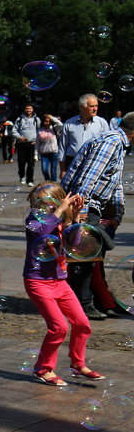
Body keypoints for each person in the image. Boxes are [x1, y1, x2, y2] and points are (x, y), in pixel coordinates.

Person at [24, 184, 102, 385]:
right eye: (40, 204)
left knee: (82, 323)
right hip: (38, 282)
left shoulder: (60, 221)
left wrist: (74, 218)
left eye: (49, 204)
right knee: (59, 327)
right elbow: (41, 231)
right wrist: (59, 211)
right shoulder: (33, 221)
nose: (43, 209)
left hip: (60, 282)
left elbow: (74, 244)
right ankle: (43, 369)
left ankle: (77, 363)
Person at [60, 113, 134, 320]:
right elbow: (89, 176)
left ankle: (101, 301)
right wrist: (80, 212)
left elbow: (115, 181)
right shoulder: (111, 141)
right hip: (85, 205)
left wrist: (118, 213)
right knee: (84, 259)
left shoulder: (117, 143)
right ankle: (81, 304)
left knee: (95, 257)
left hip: (95, 206)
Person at [59, 94, 107, 172]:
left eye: (96, 106)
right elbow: (62, 148)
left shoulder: (102, 123)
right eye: (92, 106)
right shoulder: (69, 124)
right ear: (82, 107)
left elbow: (107, 146)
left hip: (94, 164)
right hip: (72, 164)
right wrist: (63, 170)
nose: (95, 109)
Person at [14, 104, 39, 187]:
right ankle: (22, 175)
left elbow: (39, 130)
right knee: (21, 162)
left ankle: (30, 180)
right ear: (24, 109)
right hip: (21, 143)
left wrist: (36, 140)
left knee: (31, 163)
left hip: (32, 143)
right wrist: (20, 137)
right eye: (27, 108)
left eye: (30, 108)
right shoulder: (20, 119)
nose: (29, 110)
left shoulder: (36, 119)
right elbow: (14, 130)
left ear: (33, 109)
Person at [36, 114, 63, 181]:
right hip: (44, 154)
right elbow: (37, 143)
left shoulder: (54, 129)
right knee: (44, 170)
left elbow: (60, 124)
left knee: (53, 171)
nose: (47, 123)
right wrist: (35, 154)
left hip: (54, 153)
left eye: (48, 121)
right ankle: (48, 181)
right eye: (45, 121)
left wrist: (51, 117)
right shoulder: (40, 131)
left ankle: (53, 185)